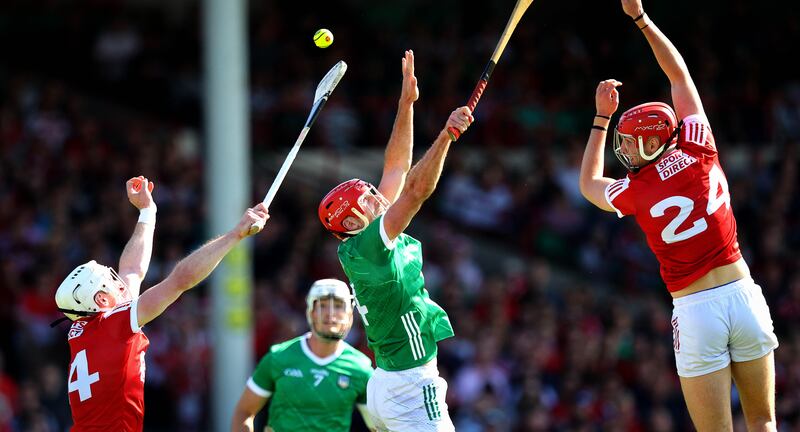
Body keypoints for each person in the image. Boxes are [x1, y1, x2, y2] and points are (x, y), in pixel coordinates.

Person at [578, 1, 778, 430]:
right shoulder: (700, 146)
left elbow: (588, 184)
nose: (625, 150)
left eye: (630, 143)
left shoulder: (638, 191)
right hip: (743, 294)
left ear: (651, 143)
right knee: (763, 423)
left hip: (695, 310)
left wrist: (600, 118)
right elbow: (679, 75)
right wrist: (641, 18)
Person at [317, 50, 473, 431]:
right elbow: (417, 188)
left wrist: (406, 104)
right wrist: (447, 135)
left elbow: (397, 167)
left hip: (385, 382)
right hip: (410, 385)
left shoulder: (361, 239)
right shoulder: (372, 244)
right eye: (369, 198)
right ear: (354, 220)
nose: (378, 195)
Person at [54, 176, 269, 431]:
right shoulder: (116, 324)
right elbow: (180, 280)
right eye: (108, 281)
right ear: (102, 300)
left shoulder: (83, 331)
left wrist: (147, 211)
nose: (117, 281)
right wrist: (236, 234)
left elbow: (132, 270)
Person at [230, 279, 375, 432]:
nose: (330, 313)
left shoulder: (361, 368)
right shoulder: (278, 358)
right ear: (311, 312)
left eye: (338, 306)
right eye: (323, 305)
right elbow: (244, 412)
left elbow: (378, 426)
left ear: (350, 315)